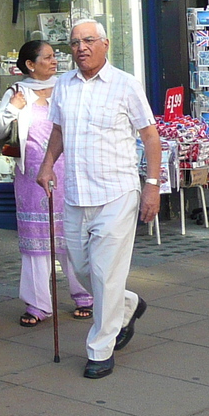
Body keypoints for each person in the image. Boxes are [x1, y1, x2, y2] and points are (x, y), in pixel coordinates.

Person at [35, 20, 162, 379]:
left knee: (105, 274)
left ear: (105, 44)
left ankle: (100, 349)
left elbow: (150, 137)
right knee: (81, 268)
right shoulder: (63, 85)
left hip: (117, 192)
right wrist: (47, 166)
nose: (81, 47)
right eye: (75, 42)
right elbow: (58, 130)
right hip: (76, 194)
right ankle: (128, 304)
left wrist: (152, 185)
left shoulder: (125, 84)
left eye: (89, 40)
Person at [0, 40, 93, 327]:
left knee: (72, 237)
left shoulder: (69, 86)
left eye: (54, 56)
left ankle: (85, 296)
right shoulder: (17, 92)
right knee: (35, 244)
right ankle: (37, 304)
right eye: (47, 57)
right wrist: (12, 108)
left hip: (69, 173)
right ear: (30, 65)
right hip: (31, 177)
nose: (54, 60)